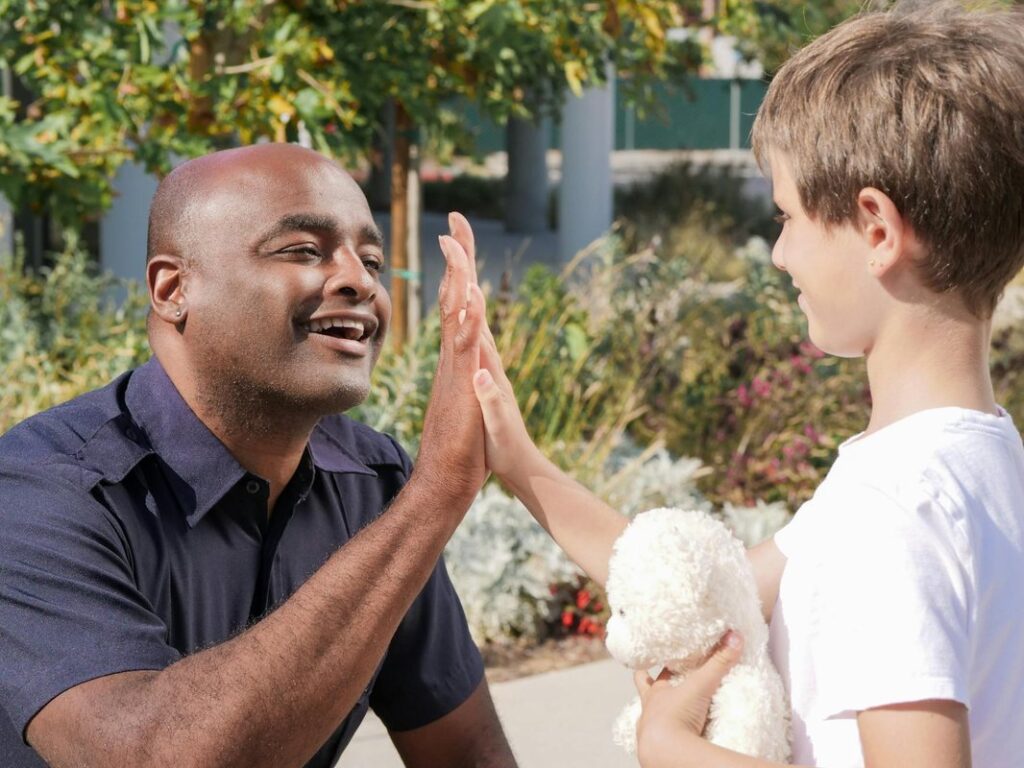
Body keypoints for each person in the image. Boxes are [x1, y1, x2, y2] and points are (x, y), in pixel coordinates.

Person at [457, 2, 1024, 766]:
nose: (778, 254)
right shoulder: (972, 461)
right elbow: (697, 587)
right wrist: (516, 460)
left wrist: (668, 748)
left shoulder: (896, 508)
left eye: (786, 217)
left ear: (878, 231)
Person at [0, 143, 516, 768]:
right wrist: (438, 493)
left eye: (372, 259)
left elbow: (466, 753)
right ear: (172, 289)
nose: (360, 281)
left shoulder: (372, 485)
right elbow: (153, 758)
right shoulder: (38, 491)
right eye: (302, 250)